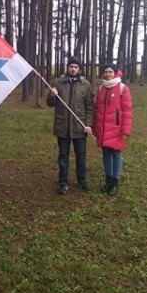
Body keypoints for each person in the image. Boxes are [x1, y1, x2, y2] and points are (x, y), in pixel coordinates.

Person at [46, 56, 94, 195]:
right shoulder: (58, 82)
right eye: (71, 66)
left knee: (81, 155)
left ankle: (82, 180)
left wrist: (88, 125)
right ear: (68, 68)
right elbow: (50, 103)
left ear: (79, 69)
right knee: (63, 156)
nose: (73, 69)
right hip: (63, 127)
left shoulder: (86, 85)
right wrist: (51, 95)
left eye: (75, 67)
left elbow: (90, 107)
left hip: (80, 127)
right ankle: (63, 182)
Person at [93, 63, 132, 196]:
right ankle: (108, 180)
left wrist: (125, 130)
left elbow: (127, 110)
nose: (108, 74)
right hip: (103, 128)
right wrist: (94, 127)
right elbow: (97, 109)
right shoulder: (101, 88)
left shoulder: (122, 88)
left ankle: (115, 182)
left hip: (116, 128)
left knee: (116, 154)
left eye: (110, 72)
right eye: (106, 72)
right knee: (106, 154)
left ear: (115, 73)